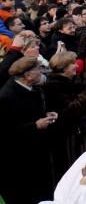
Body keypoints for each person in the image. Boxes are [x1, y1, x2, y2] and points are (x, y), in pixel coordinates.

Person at [0, 57, 57, 204]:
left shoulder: (34, 89)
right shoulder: (6, 96)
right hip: (19, 162)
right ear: (28, 75)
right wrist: (35, 126)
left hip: (38, 154)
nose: (42, 72)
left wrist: (47, 115)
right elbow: (6, 132)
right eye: (39, 69)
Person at [45, 51, 86, 185]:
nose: (76, 66)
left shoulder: (74, 81)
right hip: (69, 138)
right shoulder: (54, 86)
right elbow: (67, 112)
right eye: (72, 64)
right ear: (63, 67)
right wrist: (84, 99)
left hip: (80, 133)